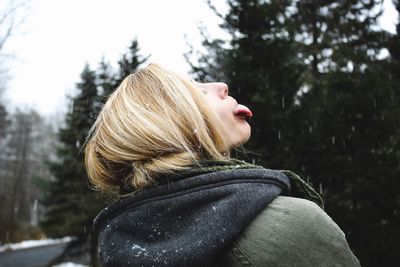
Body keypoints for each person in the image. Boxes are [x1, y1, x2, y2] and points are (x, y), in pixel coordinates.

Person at [84, 63, 360, 267]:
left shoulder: (118, 246)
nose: (221, 86)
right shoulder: (292, 225)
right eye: (199, 92)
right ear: (168, 125)